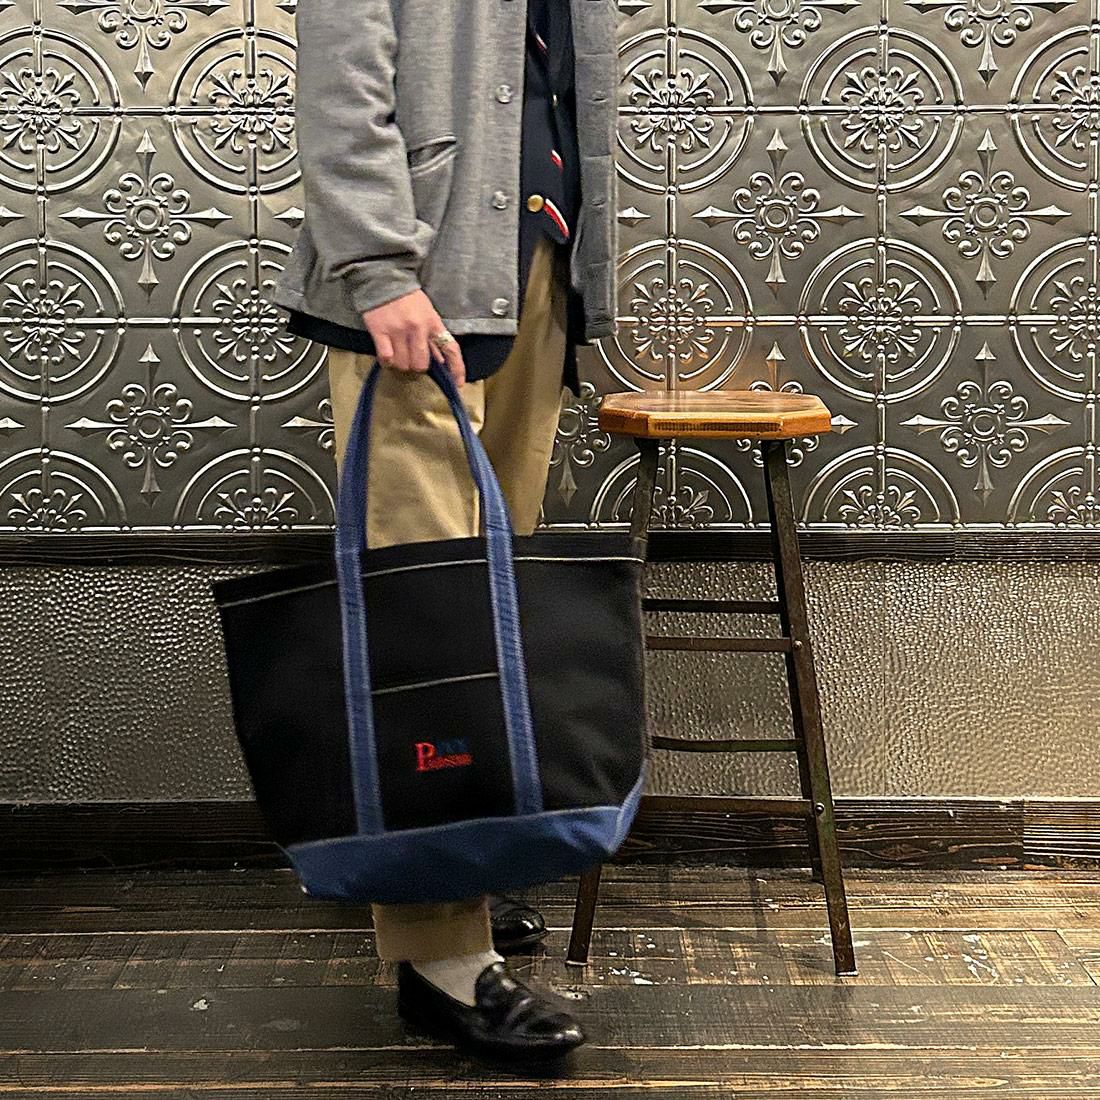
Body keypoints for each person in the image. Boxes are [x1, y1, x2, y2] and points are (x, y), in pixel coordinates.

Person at [273, 0, 619, 1061]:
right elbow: (342, 80)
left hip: (531, 272)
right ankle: (441, 957)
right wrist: (379, 268)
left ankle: (460, 858)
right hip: (420, 277)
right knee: (424, 616)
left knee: (490, 618)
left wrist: (577, 277)